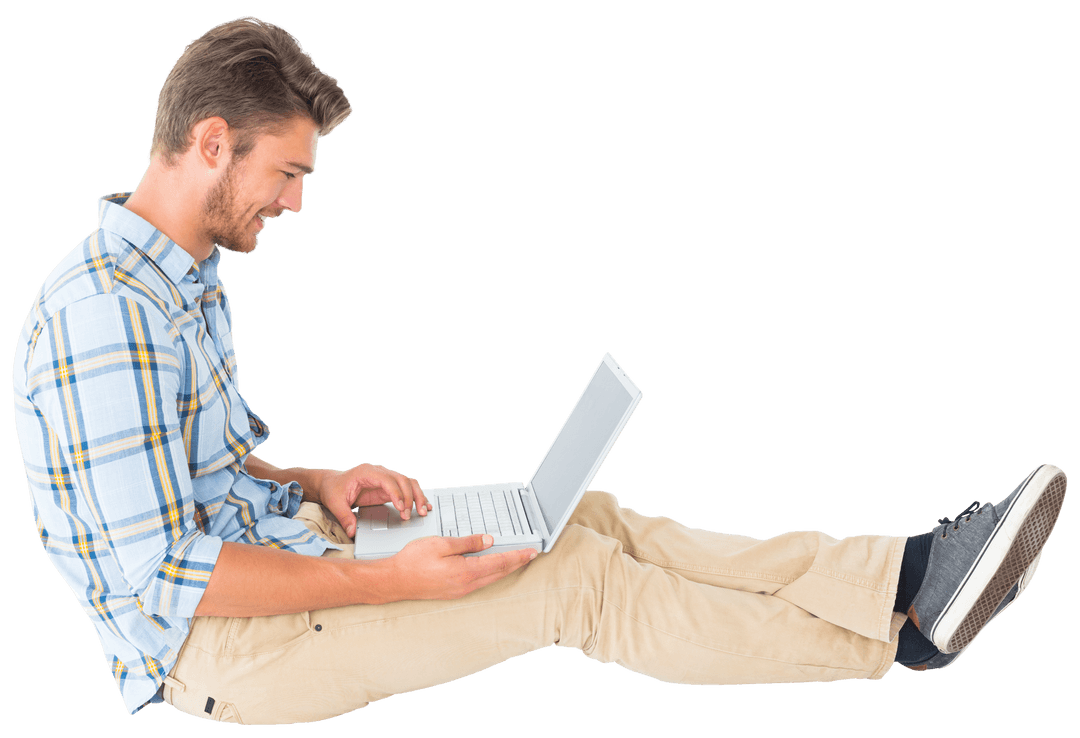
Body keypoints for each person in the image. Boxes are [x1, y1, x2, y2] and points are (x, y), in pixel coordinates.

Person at [12, 16, 1068, 725]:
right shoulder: (109, 317)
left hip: (290, 548)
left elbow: (191, 485)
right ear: (211, 143)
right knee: (576, 585)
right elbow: (165, 579)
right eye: (286, 173)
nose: (294, 203)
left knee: (587, 517)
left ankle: (905, 576)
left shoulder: (178, 279)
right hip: (226, 650)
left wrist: (316, 485)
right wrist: (383, 575)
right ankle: (900, 635)